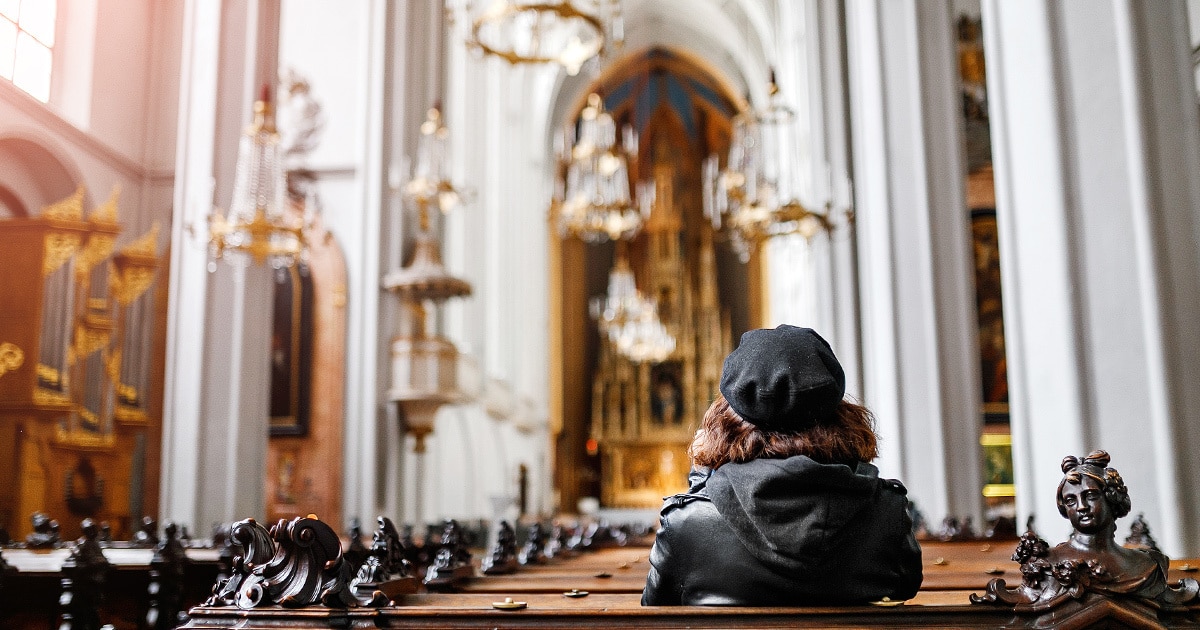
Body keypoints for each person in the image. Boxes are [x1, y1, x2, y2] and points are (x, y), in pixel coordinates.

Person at [641, 325, 923, 606]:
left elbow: (655, 608)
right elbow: (904, 585)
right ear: (841, 418)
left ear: (727, 422)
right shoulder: (887, 512)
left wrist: (703, 476)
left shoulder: (687, 524)